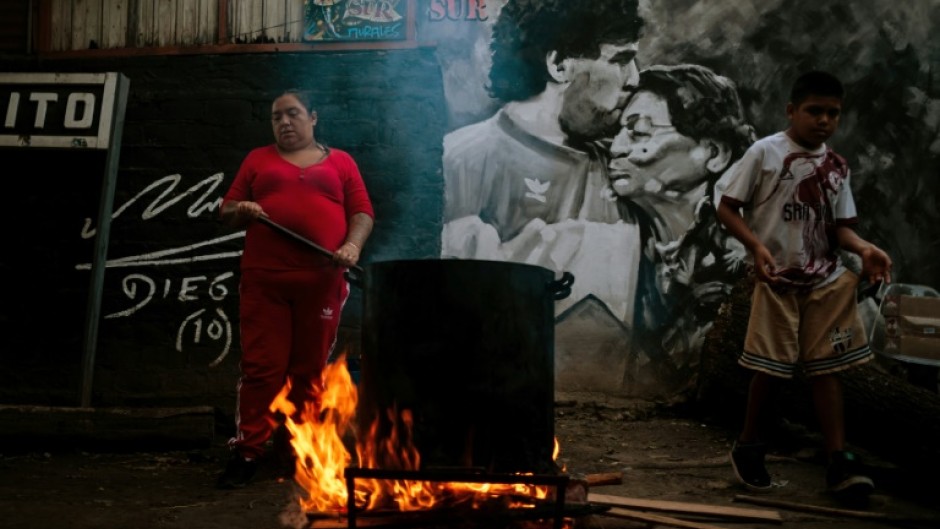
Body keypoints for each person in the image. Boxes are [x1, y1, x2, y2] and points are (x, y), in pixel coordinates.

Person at [715, 70, 892, 498]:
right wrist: (756, 247)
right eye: (815, 111)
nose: (824, 120)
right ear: (792, 110)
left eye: (833, 113)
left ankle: (838, 460)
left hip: (826, 279)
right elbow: (727, 207)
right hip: (777, 279)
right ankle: (750, 444)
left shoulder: (836, 166)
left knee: (828, 370)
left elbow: (841, 230)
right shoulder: (765, 153)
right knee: (771, 369)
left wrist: (864, 248)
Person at [441, 0, 645, 322]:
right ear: (560, 64)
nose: (634, 78)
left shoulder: (625, 167)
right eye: (621, 60)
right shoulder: (459, 159)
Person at [216, 89, 374, 489]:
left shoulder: (341, 162)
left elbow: (362, 212)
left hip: (321, 283)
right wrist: (243, 209)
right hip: (264, 283)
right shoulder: (257, 160)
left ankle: (298, 449)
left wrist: (352, 245)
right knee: (262, 370)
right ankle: (248, 449)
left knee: (308, 372)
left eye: (293, 114)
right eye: (276, 117)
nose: (284, 122)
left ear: (313, 117)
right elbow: (226, 211)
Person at [604, 64, 755, 391]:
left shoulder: (751, 249)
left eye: (639, 131)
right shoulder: (613, 242)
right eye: (617, 132)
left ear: (713, 153)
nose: (616, 147)